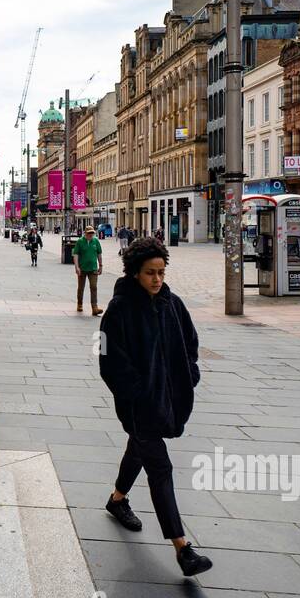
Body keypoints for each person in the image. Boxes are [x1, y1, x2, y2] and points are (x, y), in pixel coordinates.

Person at [98, 237, 210, 577]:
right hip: (139, 404)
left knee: (139, 448)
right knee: (160, 468)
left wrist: (189, 374)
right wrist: (137, 391)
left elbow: (190, 342)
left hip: (169, 397)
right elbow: (108, 358)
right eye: (150, 273)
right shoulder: (119, 309)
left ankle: (117, 500)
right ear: (134, 273)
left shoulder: (172, 303)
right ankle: (182, 548)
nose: (157, 279)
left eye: (161, 272)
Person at [73, 225, 103, 316]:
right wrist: (77, 267)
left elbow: (99, 254)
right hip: (82, 268)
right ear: (85, 233)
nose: (91, 235)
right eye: (89, 233)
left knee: (94, 287)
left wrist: (101, 265)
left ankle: (94, 307)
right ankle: (80, 304)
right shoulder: (80, 242)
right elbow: (76, 255)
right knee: (81, 287)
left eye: (92, 233)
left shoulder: (96, 241)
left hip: (93, 268)